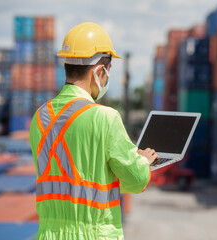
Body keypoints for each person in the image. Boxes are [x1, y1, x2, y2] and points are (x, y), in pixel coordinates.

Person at [29, 22, 159, 240]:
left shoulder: (39, 118)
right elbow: (135, 181)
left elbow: (74, 180)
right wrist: (142, 161)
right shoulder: (105, 118)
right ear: (100, 70)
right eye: (108, 71)